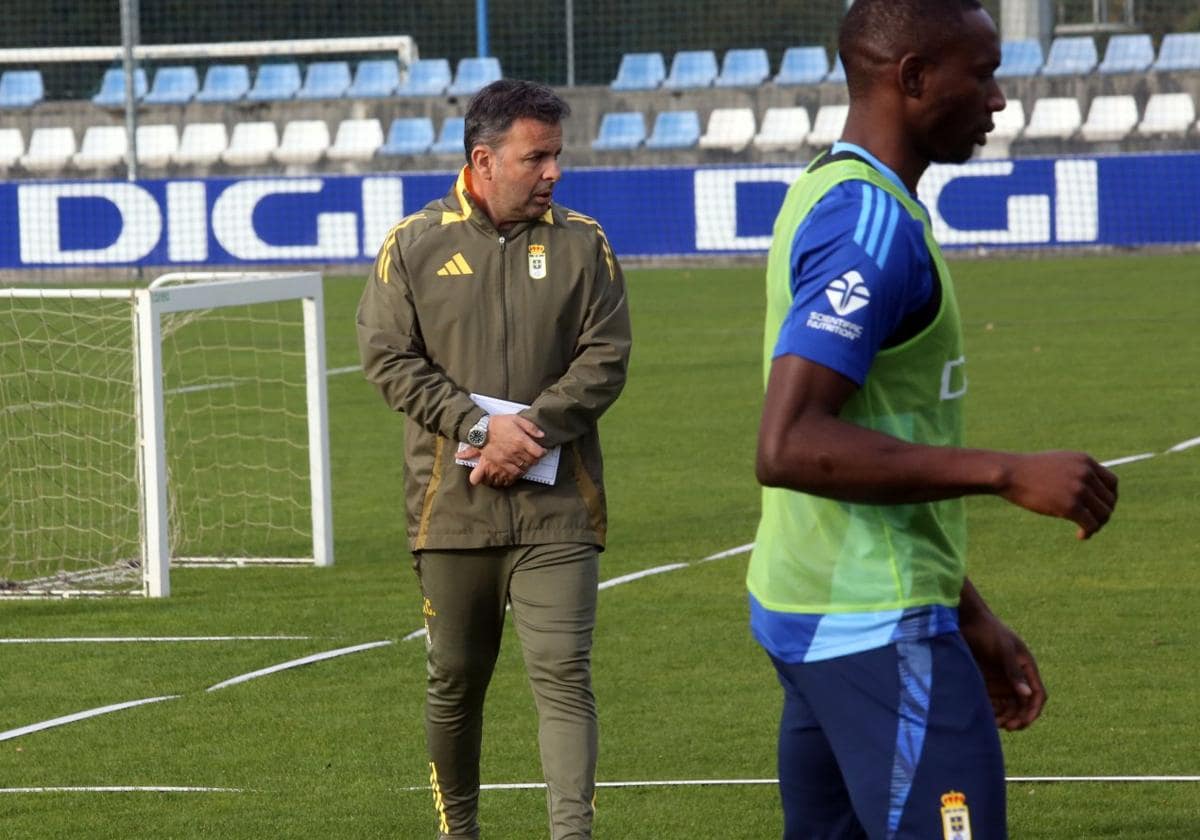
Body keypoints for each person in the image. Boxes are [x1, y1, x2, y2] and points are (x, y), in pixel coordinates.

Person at [747, 1, 1119, 837]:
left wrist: (970, 613)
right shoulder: (869, 226)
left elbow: (882, 433)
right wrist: (1007, 470)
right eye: (981, 72)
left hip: (821, 609)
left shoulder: (832, 190)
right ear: (913, 78)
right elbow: (790, 442)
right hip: (874, 626)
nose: (998, 99)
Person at [356, 80, 632, 840]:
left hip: (560, 508)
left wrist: (532, 431)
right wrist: (479, 429)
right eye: (535, 156)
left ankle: (571, 835)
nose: (554, 172)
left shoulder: (585, 243)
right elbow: (387, 359)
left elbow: (605, 358)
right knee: (455, 682)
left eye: (556, 155)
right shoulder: (412, 245)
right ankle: (461, 832)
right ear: (484, 159)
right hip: (452, 509)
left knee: (564, 674)